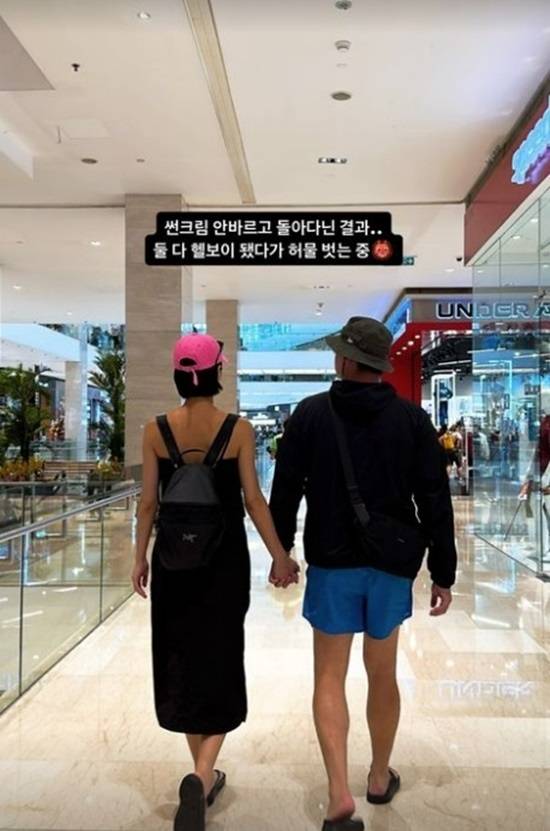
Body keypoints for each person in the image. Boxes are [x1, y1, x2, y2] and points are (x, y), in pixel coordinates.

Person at [269, 316, 456, 831]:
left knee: (329, 675)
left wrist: (281, 553)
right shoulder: (412, 420)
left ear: (347, 360)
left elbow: (285, 490)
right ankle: (377, 776)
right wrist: (443, 572)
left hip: (333, 563)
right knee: (382, 671)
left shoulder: (310, 415)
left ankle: (337, 793)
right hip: (390, 564)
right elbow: (434, 499)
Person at [131, 332, 299, 831]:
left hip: (172, 563)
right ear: (217, 374)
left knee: (181, 658)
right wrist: (281, 556)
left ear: (178, 375)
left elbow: (147, 503)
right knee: (221, 657)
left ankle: (201, 777)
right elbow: (254, 501)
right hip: (223, 563)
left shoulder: (155, 430)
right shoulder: (238, 429)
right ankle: (202, 775)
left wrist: (138, 558)